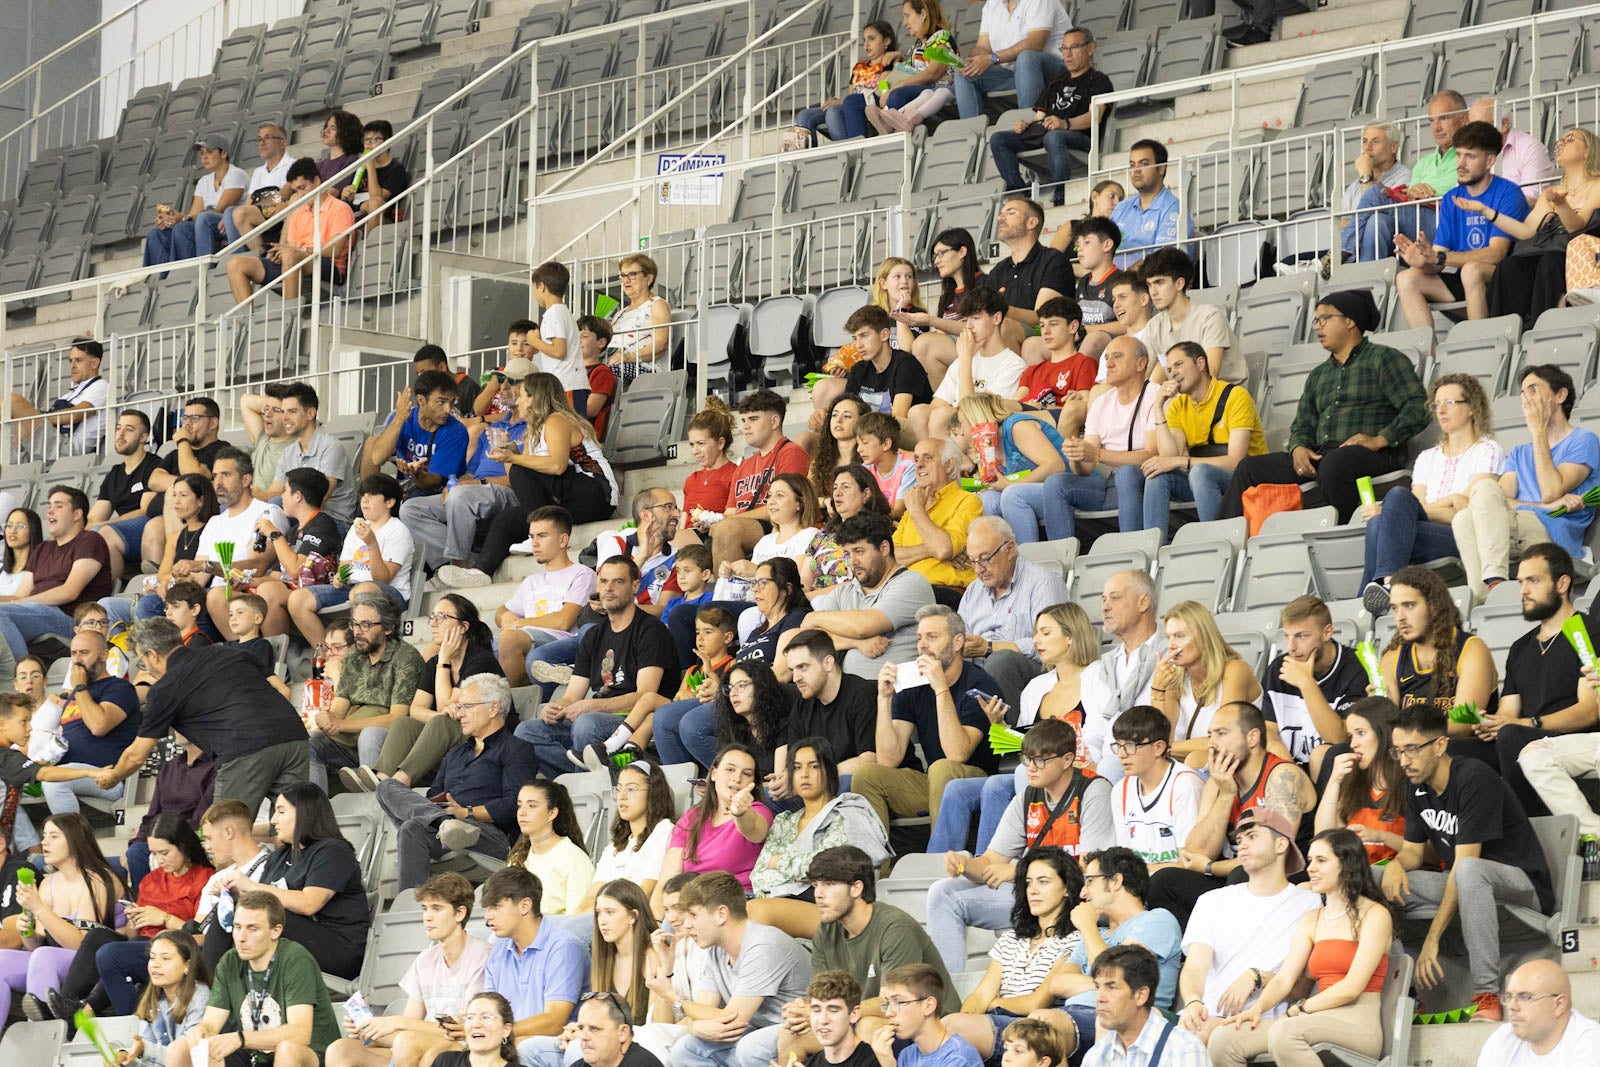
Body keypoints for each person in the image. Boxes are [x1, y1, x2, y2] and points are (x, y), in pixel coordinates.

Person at [1385, 702, 1555, 1021]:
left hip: (1522, 885)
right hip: (1467, 881)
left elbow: (1466, 864)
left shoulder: (1473, 778)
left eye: (1411, 750)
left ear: (1439, 745)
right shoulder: (1416, 787)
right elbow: (1413, 852)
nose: (1404, 761)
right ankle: (1406, 992)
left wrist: (1432, 940)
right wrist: (1395, 865)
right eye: (1397, 751)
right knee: (1371, 879)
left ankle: (1487, 993)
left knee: (1467, 869)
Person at [1219, 290, 1430, 524]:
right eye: (1316, 320)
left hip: (1375, 453)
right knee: (1249, 467)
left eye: (1325, 319)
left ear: (1350, 321)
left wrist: (1380, 439)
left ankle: (1344, 531)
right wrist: (1298, 448)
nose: (1318, 327)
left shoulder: (1384, 359)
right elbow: (1302, 425)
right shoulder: (1319, 375)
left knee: (1335, 464)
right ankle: (1223, 535)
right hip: (1325, 454)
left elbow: (1419, 406)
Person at [925, 719, 1112, 973]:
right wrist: (964, 865)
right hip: (1033, 895)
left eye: (1040, 760)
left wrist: (1019, 871)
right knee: (943, 892)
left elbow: (1091, 871)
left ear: (1067, 760)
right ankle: (947, 994)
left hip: (1076, 899)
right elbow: (991, 862)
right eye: (1026, 759)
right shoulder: (1027, 796)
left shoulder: (1093, 790)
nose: (1030, 768)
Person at [1206, 828, 1392, 1066]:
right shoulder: (1312, 918)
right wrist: (1258, 1008)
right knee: (1223, 1038)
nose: (1311, 868)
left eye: (1321, 860)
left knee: (1285, 1033)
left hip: (1358, 1022)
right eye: (1311, 860)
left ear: (1348, 864)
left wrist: (1301, 1009)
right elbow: (1285, 979)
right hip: (1313, 1019)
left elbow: (1352, 987)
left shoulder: (1375, 915)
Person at [762, 846, 955, 1066]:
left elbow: (891, 1004)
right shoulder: (826, 930)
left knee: (867, 1027)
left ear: (856, 888)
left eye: (829, 884)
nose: (818, 894)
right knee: (792, 1034)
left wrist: (824, 1011)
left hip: (922, 1024)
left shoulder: (895, 928)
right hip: (855, 1017)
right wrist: (805, 1010)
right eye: (815, 885)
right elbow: (823, 993)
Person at [99, 620, 308, 819]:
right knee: (294, 828)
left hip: (244, 749)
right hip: (294, 736)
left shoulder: (165, 688)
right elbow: (280, 688)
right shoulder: (230, 652)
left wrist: (115, 776)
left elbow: (137, 755)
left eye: (143, 663)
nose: (146, 669)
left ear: (152, 655)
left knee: (225, 833)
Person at [1146, 702, 1316, 931]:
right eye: (1210, 735)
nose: (1212, 743)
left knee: (1243, 875)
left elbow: (1271, 857)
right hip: (1237, 874)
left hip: (1287, 878)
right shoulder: (1219, 782)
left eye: (1222, 733)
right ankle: (1198, 952)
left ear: (1252, 737)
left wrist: (1209, 868)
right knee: (1164, 882)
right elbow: (1196, 852)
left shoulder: (1283, 776)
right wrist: (1226, 794)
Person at [1453, 544, 1598, 811]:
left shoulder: (1587, 631)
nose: (1524, 591)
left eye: (1533, 581)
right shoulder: (1521, 647)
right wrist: (1490, 724)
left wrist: (1526, 723)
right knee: (1453, 751)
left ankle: (1526, 830)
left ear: (1562, 583)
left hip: (1568, 740)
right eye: (1521, 582)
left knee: (1510, 736)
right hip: (1520, 736)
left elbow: (1590, 711)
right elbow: (1509, 712)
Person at [515, 557, 677, 780]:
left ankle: (589, 786)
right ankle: (582, 782)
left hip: (636, 719)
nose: (608, 588)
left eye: (618, 582)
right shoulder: (593, 635)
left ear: (635, 586)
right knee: (528, 731)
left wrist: (592, 706)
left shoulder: (651, 631)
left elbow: (645, 696)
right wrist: (557, 708)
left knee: (586, 724)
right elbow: (572, 695)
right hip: (598, 715)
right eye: (603, 582)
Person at [41, 811, 212, 1022]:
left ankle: (89, 1014)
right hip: (141, 944)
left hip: (175, 947)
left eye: (164, 853)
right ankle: (69, 1004)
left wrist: (165, 918)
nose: (159, 860)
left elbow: (201, 936)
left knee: (112, 954)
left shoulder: (205, 878)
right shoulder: (151, 880)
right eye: (154, 854)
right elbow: (133, 934)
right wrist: (133, 919)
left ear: (184, 847)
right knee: (98, 937)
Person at [1451, 363, 1600, 604]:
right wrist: (1542, 507)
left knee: (1484, 491)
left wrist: (1538, 432)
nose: (1526, 400)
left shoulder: (1583, 440)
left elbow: (1551, 490)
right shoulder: (1520, 453)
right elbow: (1501, 500)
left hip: (1552, 536)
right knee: (1465, 515)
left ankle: (1495, 582)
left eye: (1533, 390)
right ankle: (1485, 594)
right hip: (1517, 528)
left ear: (1560, 395)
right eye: (1522, 393)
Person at [1173, 807, 1319, 1046]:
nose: (1242, 845)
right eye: (1239, 840)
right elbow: (1194, 968)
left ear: (1281, 844)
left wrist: (1259, 977)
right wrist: (1192, 1002)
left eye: (1252, 836)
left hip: (1263, 1020)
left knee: (1194, 1037)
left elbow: (1303, 986)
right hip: (1204, 1015)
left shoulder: (1309, 905)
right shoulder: (1212, 901)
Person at [375, 674, 535, 892]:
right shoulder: (455, 753)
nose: (459, 714)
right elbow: (434, 795)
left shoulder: (517, 749)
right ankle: (411, 908)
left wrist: (466, 813)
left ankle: (445, 823)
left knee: (415, 823)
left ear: (493, 708)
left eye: (467, 706)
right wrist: (445, 814)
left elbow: (514, 804)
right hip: (447, 830)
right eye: (459, 707)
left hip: (491, 835)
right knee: (389, 792)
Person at [852, 604, 1001, 832]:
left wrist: (941, 688)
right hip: (933, 780)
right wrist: (884, 699)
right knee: (867, 774)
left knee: (942, 768)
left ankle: (938, 860)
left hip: (978, 782)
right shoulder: (913, 684)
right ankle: (875, 867)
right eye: (919, 637)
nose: (922, 645)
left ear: (957, 642)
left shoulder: (979, 684)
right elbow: (888, 759)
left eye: (932, 637)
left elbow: (957, 754)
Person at [1359, 373, 1502, 603]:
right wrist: (1448, 501)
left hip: (1461, 536)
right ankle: (1387, 584)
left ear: (1472, 408)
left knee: (1390, 509)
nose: (1441, 410)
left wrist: (1397, 514)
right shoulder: (1427, 457)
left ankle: (1370, 597)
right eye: (1436, 405)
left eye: (1449, 403)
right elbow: (1417, 508)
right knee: (1383, 518)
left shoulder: (1488, 450)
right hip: (1420, 533)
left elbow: (1466, 509)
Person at [344, 594, 504, 793]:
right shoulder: (433, 664)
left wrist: (444, 659)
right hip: (454, 737)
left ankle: (400, 782)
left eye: (442, 617)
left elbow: (444, 703)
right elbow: (416, 709)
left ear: (463, 627)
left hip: (483, 738)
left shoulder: (481, 660)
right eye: (432, 617)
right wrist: (441, 715)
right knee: (405, 724)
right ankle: (382, 779)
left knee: (440, 722)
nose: (433, 624)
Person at [1033, 848, 1182, 1057]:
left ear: (1115, 881)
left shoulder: (1157, 920)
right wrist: (1107, 982)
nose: (1083, 893)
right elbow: (1057, 984)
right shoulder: (1098, 933)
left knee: (1039, 1029)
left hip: (1126, 1019)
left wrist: (1087, 927)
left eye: (1090, 881)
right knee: (976, 1027)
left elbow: (1117, 972)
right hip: (1069, 1014)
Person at [327, 873, 488, 1067]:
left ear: (460, 913)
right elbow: (411, 1023)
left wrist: (397, 1022)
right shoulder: (425, 960)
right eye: (425, 909)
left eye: (436, 909)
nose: (427, 917)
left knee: (407, 1042)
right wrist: (371, 1031)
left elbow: (463, 1030)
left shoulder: (481, 956)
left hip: (463, 1048)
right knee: (341, 1050)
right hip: (416, 1045)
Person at [940, 847, 1083, 1062]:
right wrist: (968, 1016)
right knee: (943, 1031)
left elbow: (1036, 1003)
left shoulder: (1075, 940)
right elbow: (980, 995)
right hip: (995, 1020)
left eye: (1043, 882)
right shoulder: (1011, 938)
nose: (1033, 890)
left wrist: (995, 1004)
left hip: (1031, 1030)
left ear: (1066, 889)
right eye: (1028, 883)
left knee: (951, 1027)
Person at [170, 890, 339, 1067]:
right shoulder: (230, 961)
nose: (241, 938)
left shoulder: (295, 959)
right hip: (256, 1055)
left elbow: (300, 1034)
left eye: (252, 929)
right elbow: (211, 1024)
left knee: (287, 1049)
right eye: (237, 927)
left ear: (275, 931)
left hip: (311, 1055)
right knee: (181, 1049)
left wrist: (241, 1038)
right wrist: (201, 1031)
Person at [749, 739, 892, 938]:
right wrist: (802, 869)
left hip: (830, 910)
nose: (805, 774)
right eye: (797, 768)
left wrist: (780, 861)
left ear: (830, 771)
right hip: (776, 901)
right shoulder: (784, 821)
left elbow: (829, 869)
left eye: (814, 766)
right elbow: (759, 873)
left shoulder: (847, 813)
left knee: (756, 912)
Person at [1394, 121, 1530, 329]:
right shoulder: (1451, 198)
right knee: (1406, 278)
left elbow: (1497, 254)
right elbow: (1438, 258)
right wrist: (1422, 260)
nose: (1461, 163)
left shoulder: (1508, 193)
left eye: (1470, 156)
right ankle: (1430, 356)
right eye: (1458, 155)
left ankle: (1477, 345)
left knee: (1471, 270)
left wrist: (1440, 257)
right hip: (1466, 278)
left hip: (1505, 278)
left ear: (1490, 161)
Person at [671, 870, 813, 1067]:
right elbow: (704, 1010)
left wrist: (673, 998)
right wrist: (695, 1027)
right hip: (755, 1029)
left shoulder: (763, 945)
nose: (687, 925)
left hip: (798, 1029)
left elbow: (731, 1021)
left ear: (721, 914)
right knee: (685, 1049)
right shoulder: (716, 949)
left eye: (693, 915)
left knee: (750, 1047)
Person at [0, 813, 123, 1037]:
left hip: (91, 965)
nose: (44, 842)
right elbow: (35, 947)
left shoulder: (97, 880)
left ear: (75, 839)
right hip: (51, 958)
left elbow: (81, 946)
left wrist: (40, 909)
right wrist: (25, 930)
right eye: (44, 835)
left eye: (53, 836)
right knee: (3, 959)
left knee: (45, 956)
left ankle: (42, 1043)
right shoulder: (47, 884)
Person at [1040, 336, 1159, 542]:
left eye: (1117, 357)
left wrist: (1096, 454)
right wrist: (1077, 455)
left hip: (1146, 483)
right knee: (1055, 483)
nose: (1109, 364)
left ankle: (1132, 550)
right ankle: (1063, 559)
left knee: (1127, 474)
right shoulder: (1101, 403)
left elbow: (1153, 455)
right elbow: (1085, 469)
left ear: (1141, 364)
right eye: (1106, 358)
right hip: (1109, 484)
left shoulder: (1155, 396)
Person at [1141, 341, 1265, 539]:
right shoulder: (1177, 405)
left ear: (1200, 364)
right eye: (1169, 369)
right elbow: (1168, 457)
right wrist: (1158, 408)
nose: (1172, 373)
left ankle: (1217, 544)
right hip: (1200, 480)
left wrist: (1182, 461)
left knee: (1201, 472)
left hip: (1244, 480)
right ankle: (1152, 553)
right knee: (1157, 475)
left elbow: (1236, 462)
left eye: (1179, 365)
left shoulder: (1236, 396)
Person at [307, 592, 425, 792]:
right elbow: (340, 707)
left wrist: (342, 724)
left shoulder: (406, 657)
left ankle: (375, 797)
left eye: (366, 625)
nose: (357, 632)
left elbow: (397, 717)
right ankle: (317, 810)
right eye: (355, 624)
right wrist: (328, 718)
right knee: (310, 743)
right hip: (350, 739)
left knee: (369, 735)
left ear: (388, 628)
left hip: (391, 742)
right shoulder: (354, 656)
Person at [1482, 126, 1600, 326]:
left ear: (1588, 150)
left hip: (1576, 258)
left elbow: (1578, 227)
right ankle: (1503, 333)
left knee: (1549, 262)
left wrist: (1561, 204)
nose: (1560, 143)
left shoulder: (1597, 185)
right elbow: (1526, 231)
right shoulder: (1552, 191)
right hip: (1547, 252)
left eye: (1569, 139)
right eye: (1559, 140)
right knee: (1509, 267)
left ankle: (1544, 331)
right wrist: (1489, 213)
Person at [987, 28, 1113, 206]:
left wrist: (1064, 123)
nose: (1067, 54)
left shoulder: (1099, 81)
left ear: (1090, 48)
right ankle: (1019, 194)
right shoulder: (1056, 81)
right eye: (1064, 49)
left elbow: (1095, 117)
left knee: (1054, 136)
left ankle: (1061, 192)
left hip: (1082, 136)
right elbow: (1040, 117)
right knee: (999, 139)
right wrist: (1026, 124)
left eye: (1074, 47)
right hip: (1049, 131)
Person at [804, 512, 936, 682]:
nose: (853, 561)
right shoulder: (842, 593)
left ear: (884, 548)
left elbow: (864, 625)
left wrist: (814, 617)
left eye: (859, 551)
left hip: (898, 692)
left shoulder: (912, 583)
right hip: (850, 695)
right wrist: (856, 643)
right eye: (847, 553)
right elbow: (811, 639)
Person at [954, 518, 1068, 711]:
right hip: (981, 676)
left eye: (985, 558)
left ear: (1010, 549)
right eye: (972, 561)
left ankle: (1011, 738)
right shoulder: (973, 591)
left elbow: (1053, 644)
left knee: (1000, 661)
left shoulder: (1042, 583)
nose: (978, 569)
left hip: (1036, 673)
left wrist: (989, 648)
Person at [1344, 90, 1466, 261]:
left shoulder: (1468, 156)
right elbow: (1408, 198)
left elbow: (1467, 197)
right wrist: (1413, 192)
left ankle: (1343, 253)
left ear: (1463, 119)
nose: (1436, 127)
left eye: (1443, 118)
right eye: (1432, 121)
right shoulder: (1424, 163)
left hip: (1446, 223)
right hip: (1417, 226)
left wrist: (1430, 198)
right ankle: (1365, 282)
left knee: (1375, 193)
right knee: (1376, 221)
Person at [480, 865, 588, 1057]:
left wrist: (498, 1032)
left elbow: (555, 1021)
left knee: (517, 1049)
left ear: (525, 906)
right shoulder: (498, 951)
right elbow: (488, 1009)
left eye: (496, 907)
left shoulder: (563, 946)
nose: (488, 917)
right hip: (509, 1038)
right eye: (487, 908)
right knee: (444, 1052)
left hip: (558, 1044)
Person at [652, 744, 773, 911]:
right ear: (714, 773)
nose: (737, 778)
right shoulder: (691, 817)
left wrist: (740, 813)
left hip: (735, 903)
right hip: (692, 904)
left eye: (746, 774)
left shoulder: (758, 811)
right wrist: (657, 924)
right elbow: (666, 882)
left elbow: (754, 830)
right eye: (730, 770)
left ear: (752, 782)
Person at [1378, 565, 1500, 732]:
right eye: (1395, 608)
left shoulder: (1472, 650)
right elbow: (1385, 725)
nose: (1400, 617)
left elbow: (1463, 724)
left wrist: (1409, 735)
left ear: (1434, 605)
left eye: (1409, 605)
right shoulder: (1392, 656)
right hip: (1409, 752)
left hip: (1463, 751)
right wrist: (1379, 707)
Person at [0, 485, 113, 661]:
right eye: (50, 505)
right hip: (35, 611)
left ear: (77, 514)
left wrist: (21, 601)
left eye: (58, 506)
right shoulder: (42, 549)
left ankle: (21, 677)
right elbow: (20, 594)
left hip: (71, 619)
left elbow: (69, 591)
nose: (50, 511)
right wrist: (18, 601)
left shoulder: (90, 540)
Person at [1262, 596, 1371, 775]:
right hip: (1290, 771)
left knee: (1322, 754)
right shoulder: (1279, 669)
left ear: (1327, 632)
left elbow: (1339, 738)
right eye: (1286, 636)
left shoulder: (1354, 669)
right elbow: (1269, 732)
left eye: (1302, 636)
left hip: (1337, 771)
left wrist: (1306, 683)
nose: (1291, 647)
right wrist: (1291, 773)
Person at [704, 390, 811, 569]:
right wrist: (712, 520)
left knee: (727, 529)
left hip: (778, 523)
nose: (745, 426)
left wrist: (729, 521)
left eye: (753, 419)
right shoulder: (744, 465)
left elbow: (788, 507)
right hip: (746, 524)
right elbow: (730, 510)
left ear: (774, 421)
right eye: (744, 420)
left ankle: (731, 594)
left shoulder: (790, 453)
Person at [225, 156, 355, 303]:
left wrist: (300, 251)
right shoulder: (298, 211)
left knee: (291, 256)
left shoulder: (340, 208)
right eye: (296, 190)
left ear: (317, 181)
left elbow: (335, 250)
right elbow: (292, 247)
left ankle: (289, 316)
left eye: (302, 187)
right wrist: (280, 254)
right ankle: (246, 323)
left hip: (329, 265)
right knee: (235, 264)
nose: (300, 195)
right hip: (297, 261)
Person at [38, 629, 140, 816]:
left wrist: (80, 686)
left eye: (84, 653)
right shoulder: (76, 694)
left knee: (54, 782)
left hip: (107, 775)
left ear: (104, 655)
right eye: (73, 653)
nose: (77, 660)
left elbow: (98, 726)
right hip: (70, 769)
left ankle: (74, 841)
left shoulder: (119, 688)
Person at [1149, 602, 1266, 764]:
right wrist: (1158, 690)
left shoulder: (1235, 670)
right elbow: (1159, 740)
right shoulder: (1175, 678)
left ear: (1204, 637)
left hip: (1238, 762)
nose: (1171, 645)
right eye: (1169, 637)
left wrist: (1169, 748)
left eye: (1180, 636)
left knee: (1194, 759)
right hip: (1193, 766)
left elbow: (1225, 739)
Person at [492, 507, 597, 686]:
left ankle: (511, 708)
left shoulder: (582, 574)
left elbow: (564, 621)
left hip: (558, 642)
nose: (534, 543)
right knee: (463, 643)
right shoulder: (532, 581)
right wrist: (505, 617)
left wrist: (519, 623)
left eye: (542, 536)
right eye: (532, 537)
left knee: (509, 637)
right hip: (523, 638)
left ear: (563, 540)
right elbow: (502, 611)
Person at [912, 288, 1029, 444]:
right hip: (953, 425)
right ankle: (929, 459)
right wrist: (965, 359)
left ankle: (946, 462)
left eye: (976, 318)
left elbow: (976, 411)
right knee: (918, 412)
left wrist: (966, 359)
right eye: (966, 320)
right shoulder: (963, 359)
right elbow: (937, 404)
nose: (969, 326)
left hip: (985, 431)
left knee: (941, 416)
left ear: (996, 318)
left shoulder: (1014, 365)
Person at [951, 395, 1066, 547]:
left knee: (1012, 495)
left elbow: (1055, 466)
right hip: (1033, 494)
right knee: (987, 500)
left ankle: (1026, 559)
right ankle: (997, 559)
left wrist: (1010, 485)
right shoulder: (987, 443)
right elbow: (1001, 484)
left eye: (962, 423)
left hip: (1064, 488)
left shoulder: (1017, 427)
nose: (963, 433)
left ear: (975, 418)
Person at [572, 761, 677, 926]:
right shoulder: (614, 846)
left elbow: (646, 890)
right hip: (603, 917)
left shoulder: (664, 830)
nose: (622, 796)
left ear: (653, 792)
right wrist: (572, 919)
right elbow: (593, 895)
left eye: (631, 789)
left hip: (630, 919)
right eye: (619, 789)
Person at [1079, 570, 1163, 776]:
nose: (1105, 607)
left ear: (1143, 602)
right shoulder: (1101, 669)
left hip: (1150, 764)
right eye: (1104, 599)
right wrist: (1080, 762)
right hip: (1104, 766)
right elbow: (1094, 733)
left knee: (1109, 766)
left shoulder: (1170, 656)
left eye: (1115, 598)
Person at [1314, 697, 1408, 865]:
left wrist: (1380, 836)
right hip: (1357, 875)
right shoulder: (1353, 782)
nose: (1353, 744)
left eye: (1361, 733)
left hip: (1398, 874)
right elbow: (1323, 837)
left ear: (1384, 733)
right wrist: (1334, 781)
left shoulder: (1409, 781)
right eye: (1351, 736)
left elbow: (1426, 851)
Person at [1108, 704, 1204, 871]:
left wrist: (1141, 872)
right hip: (1140, 882)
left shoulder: (1184, 784)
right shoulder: (1120, 790)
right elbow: (1125, 857)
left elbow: (1189, 861)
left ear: (1159, 747)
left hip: (1175, 884)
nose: (1121, 754)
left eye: (1130, 746)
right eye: (1118, 746)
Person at [1080, 944, 1209, 1067]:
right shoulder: (1096, 1056)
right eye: (1098, 987)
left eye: (1112, 988)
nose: (1099, 998)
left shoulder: (1184, 1049)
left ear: (1141, 995)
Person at [983, 201, 1075, 362]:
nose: (1000, 218)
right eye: (1001, 213)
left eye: (1010, 212)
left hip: (1041, 334)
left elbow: (1041, 317)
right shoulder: (999, 270)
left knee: (1004, 327)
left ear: (1031, 222)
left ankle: (1002, 386)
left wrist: (1001, 310)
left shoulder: (1053, 260)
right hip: (1000, 331)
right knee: (929, 344)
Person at [895, 228, 985, 391]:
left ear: (962, 251)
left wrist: (933, 321)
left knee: (924, 345)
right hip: (957, 351)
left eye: (942, 253)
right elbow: (943, 333)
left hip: (981, 349)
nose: (937, 260)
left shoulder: (983, 284)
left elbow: (979, 330)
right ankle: (946, 402)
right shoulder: (948, 295)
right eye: (935, 255)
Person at [953, 0, 1072, 121]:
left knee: (1026, 58)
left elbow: (1036, 43)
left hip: (1057, 69)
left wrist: (992, 58)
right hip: (1015, 72)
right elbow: (983, 46)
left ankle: (1030, 127)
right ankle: (972, 131)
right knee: (964, 74)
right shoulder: (992, 4)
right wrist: (973, 62)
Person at [892, 439, 982, 598]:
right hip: (904, 590)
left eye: (927, 458)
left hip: (944, 592)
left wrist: (917, 511)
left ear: (949, 465)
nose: (918, 464)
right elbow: (891, 559)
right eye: (916, 458)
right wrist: (931, 549)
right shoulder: (913, 507)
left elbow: (943, 549)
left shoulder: (967, 501)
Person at [362, 371, 471, 500]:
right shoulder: (403, 418)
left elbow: (434, 481)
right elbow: (377, 458)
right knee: (371, 442)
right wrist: (399, 418)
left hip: (439, 493)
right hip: (407, 486)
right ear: (421, 400)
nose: (448, 409)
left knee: (407, 502)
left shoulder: (456, 431)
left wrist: (416, 474)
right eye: (441, 402)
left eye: (452, 402)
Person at [1476, 958, 1600, 1064]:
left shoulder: (1591, 1042)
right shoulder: (1503, 1037)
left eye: (1525, 997)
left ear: (1558, 1004)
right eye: (1509, 997)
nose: (1512, 1006)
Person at [793, 21, 898, 145]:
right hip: (849, 105)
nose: (866, 44)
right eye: (864, 40)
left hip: (868, 105)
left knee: (833, 112)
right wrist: (840, 101)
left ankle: (847, 153)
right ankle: (808, 159)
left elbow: (881, 92)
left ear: (886, 41)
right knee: (804, 115)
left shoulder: (889, 63)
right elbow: (850, 95)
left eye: (872, 39)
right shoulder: (859, 67)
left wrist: (841, 102)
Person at [149, 134, 248, 264]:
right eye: (202, 153)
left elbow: (220, 210)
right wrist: (174, 218)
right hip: (207, 224)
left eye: (209, 152)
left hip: (229, 223)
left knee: (202, 219)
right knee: (157, 233)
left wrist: (185, 218)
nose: (204, 157)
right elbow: (194, 214)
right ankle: (170, 278)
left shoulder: (236, 174)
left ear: (223, 154)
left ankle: (203, 269)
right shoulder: (203, 181)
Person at [88, 410, 162, 581]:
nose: (120, 435)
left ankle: (106, 588)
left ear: (143, 437)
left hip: (147, 526)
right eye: (118, 428)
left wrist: (104, 524)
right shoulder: (114, 473)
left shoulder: (154, 465)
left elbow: (146, 510)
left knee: (102, 531)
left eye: (129, 429)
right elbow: (94, 518)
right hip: (121, 529)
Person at [120, 930, 212, 1067]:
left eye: (165, 958)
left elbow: (187, 1055)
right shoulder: (153, 999)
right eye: (152, 957)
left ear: (187, 965)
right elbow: (147, 1058)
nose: (155, 964)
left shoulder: (200, 994)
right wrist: (126, 1058)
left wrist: (145, 1049)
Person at [507, 781, 594, 917]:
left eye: (531, 806)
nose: (522, 812)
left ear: (552, 813)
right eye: (519, 805)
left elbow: (579, 922)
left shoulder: (574, 859)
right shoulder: (517, 857)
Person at [8, 339, 108, 458]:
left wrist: (36, 421)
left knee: (14, 401)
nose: (72, 366)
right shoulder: (69, 394)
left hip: (69, 448)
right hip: (54, 441)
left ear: (94, 363)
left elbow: (75, 415)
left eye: (78, 360)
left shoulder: (101, 386)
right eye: (71, 361)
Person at [868, 964, 981, 1067]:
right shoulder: (907, 1055)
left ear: (928, 1006)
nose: (888, 1013)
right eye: (887, 1003)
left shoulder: (958, 1057)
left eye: (899, 1002)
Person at [805, 466, 894, 596]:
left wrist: (811, 597)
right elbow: (804, 580)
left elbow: (862, 583)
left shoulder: (877, 533)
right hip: (812, 602)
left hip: (849, 602)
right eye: (835, 488)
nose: (837, 493)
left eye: (845, 487)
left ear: (866, 494)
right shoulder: (823, 535)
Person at [840, 307, 933, 422]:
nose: (858, 345)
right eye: (855, 338)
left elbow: (898, 420)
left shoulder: (906, 364)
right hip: (869, 434)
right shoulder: (858, 369)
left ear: (884, 335)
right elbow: (846, 411)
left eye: (864, 335)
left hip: (903, 434)